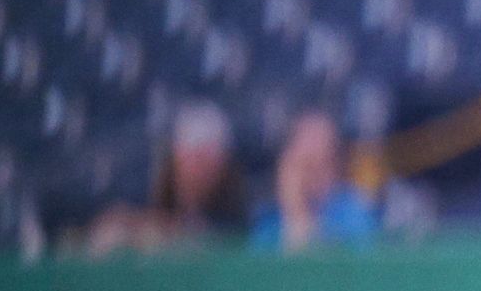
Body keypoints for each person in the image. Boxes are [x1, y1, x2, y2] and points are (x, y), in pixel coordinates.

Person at [85, 101, 250, 254]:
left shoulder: (239, 218)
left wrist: (174, 235)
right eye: (191, 152)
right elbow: (104, 235)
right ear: (174, 156)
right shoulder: (142, 199)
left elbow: (223, 241)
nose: (198, 165)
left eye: (208, 154)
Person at [251, 111, 379, 252]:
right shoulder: (268, 223)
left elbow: (355, 264)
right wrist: (294, 210)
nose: (314, 176)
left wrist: (301, 219)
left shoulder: (355, 215)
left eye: (324, 162)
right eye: (306, 165)